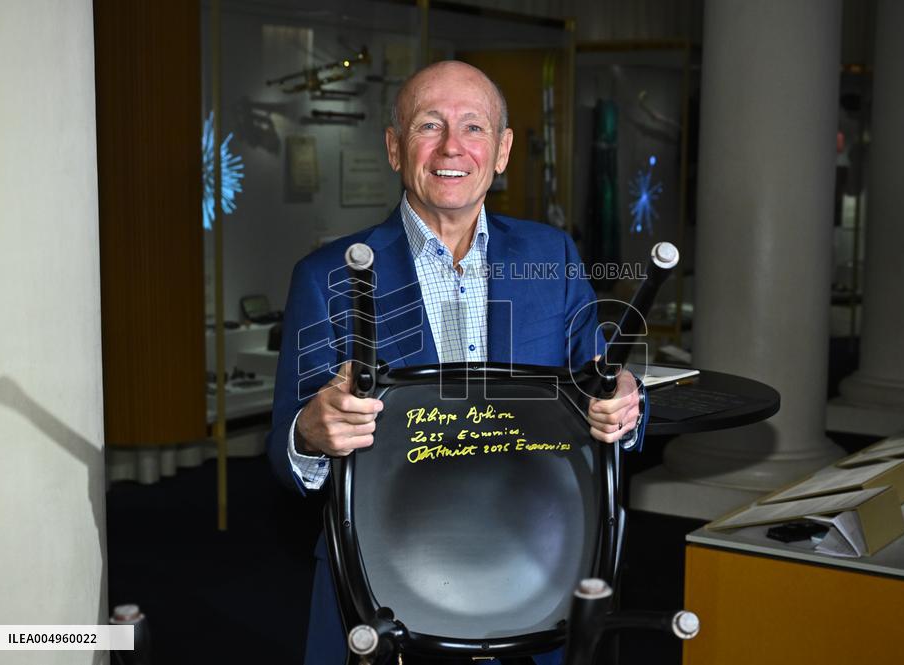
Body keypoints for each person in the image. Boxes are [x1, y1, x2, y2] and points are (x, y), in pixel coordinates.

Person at [267, 60, 641, 665]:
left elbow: (600, 381)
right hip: (381, 583)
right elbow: (287, 451)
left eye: (473, 127)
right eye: (428, 125)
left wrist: (623, 401)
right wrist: (310, 434)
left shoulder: (552, 256)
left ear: (502, 151)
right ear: (394, 147)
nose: (451, 147)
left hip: (539, 570)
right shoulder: (326, 277)